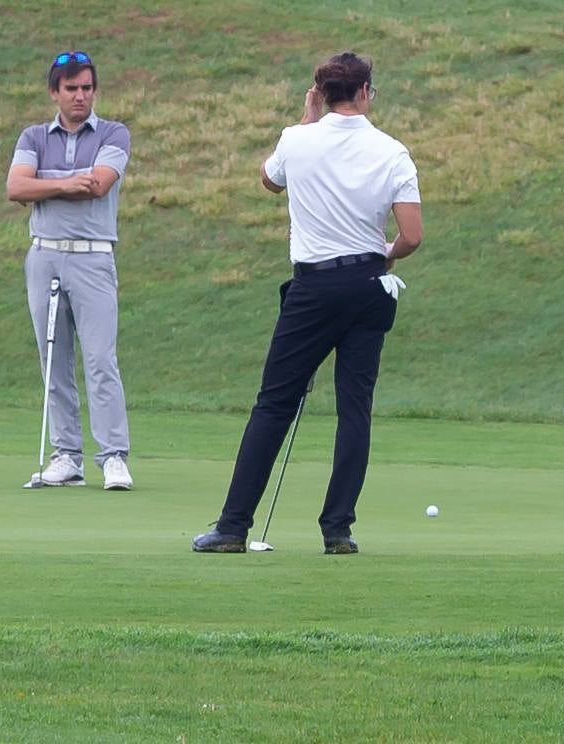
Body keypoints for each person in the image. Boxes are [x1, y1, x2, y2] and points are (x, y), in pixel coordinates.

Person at [193, 51, 423, 554]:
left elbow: (270, 180)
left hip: (313, 289)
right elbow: (411, 235)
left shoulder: (296, 140)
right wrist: (381, 258)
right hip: (367, 286)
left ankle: (233, 527)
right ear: (364, 92)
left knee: (274, 403)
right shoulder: (393, 151)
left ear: (321, 93)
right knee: (354, 410)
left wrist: (305, 119)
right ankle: (337, 530)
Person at [6, 50, 134, 491]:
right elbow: (15, 186)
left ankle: (113, 456)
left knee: (100, 359)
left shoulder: (114, 133)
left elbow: (98, 184)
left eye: (86, 87)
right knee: (53, 359)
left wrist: (42, 186)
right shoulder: (34, 136)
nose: (80, 96)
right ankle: (67, 456)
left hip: (94, 256)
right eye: (71, 88)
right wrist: (64, 183)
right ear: (54, 93)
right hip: (44, 256)